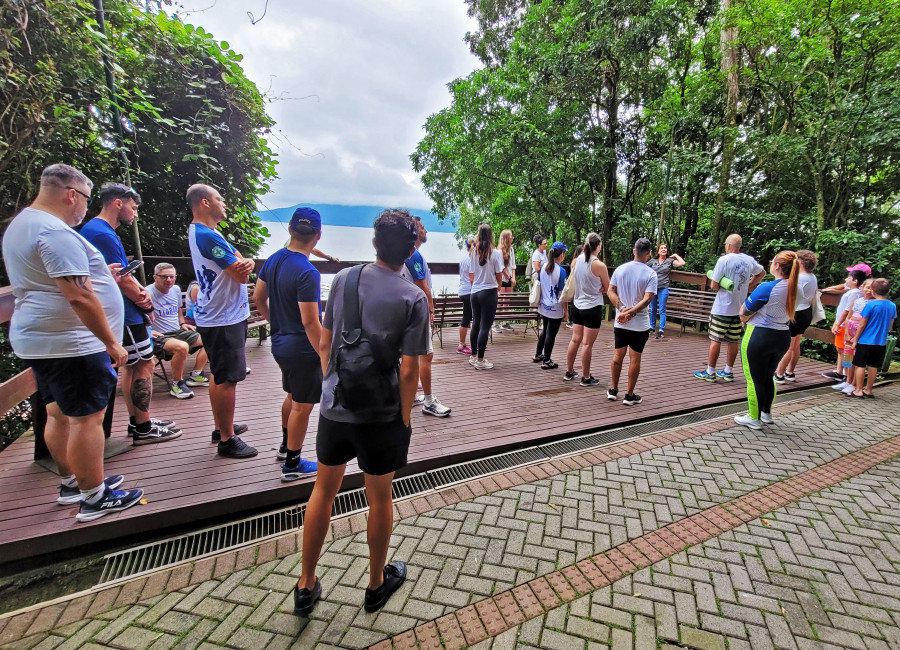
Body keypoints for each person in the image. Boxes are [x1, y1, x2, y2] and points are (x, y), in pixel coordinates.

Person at [294, 209, 428, 616]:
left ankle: (305, 585)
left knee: (323, 490)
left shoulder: (344, 279)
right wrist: (404, 418)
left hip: (336, 408)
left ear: (374, 243)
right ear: (412, 250)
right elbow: (409, 371)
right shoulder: (413, 297)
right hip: (382, 415)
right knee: (379, 499)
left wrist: (331, 386)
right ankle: (374, 585)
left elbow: (325, 343)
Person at [1, 164, 143, 521]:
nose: (84, 207)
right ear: (70, 194)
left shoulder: (22, 225)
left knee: (57, 412)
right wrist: (111, 342)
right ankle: (94, 497)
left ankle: (73, 482)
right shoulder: (54, 232)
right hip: (73, 342)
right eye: (84, 199)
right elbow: (79, 297)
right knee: (86, 419)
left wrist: (102, 275)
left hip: (44, 340)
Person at [80, 183, 182, 444]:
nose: (135, 214)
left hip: (120, 314)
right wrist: (146, 305)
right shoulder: (102, 233)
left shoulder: (94, 230)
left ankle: (139, 421)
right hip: (126, 315)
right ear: (118, 202)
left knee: (133, 366)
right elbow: (124, 280)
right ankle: (144, 427)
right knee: (144, 364)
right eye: (133, 208)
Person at [186, 184, 257, 458]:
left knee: (219, 374)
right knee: (227, 378)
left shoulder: (204, 232)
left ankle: (221, 427)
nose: (224, 203)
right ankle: (227, 440)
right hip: (223, 317)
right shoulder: (209, 236)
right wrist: (244, 263)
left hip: (215, 314)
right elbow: (241, 274)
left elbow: (238, 261)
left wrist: (243, 260)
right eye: (219, 198)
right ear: (204, 203)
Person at [254, 207, 322, 480]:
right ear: (318, 236)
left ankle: (285, 446)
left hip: (281, 344)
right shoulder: (307, 271)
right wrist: (325, 355)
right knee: (302, 406)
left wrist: (276, 325)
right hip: (302, 350)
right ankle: (293, 464)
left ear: (291, 229)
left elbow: (259, 298)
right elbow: (310, 322)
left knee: (292, 397)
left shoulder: (274, 259)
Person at [734, 251, 800, 430]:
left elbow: (744, 311)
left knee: (753, 377)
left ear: (777, 266)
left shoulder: (767, 287)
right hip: (782, 335)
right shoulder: (796, 288)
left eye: (772, 261)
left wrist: (744, 320)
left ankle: (753, 417)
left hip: (759, 335)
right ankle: (766, 413)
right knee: (768, 376)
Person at [694, 234, 766, 382]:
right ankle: (728, 371)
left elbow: (714, 285)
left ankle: (710, 372)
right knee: (733, 340)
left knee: (716, 339)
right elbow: (762, 273)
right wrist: (749, 286)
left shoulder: (724, 260)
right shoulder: (748, 260)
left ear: (728, 245)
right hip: (740, 309)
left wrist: (724, 284)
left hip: (722, 309)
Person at [402, 219, 451, 417]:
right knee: (426, 355)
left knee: (411, 355)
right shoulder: (414, 255)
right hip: (417, 311)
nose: (426, 230)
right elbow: (422, 284)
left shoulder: (405, 254)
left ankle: (412, 394)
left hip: (406, 311)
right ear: (414, 232)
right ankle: (429, 401)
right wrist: (431, 309)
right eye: (422, 227)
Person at [146, 263, 210, 399]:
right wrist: (148, 331)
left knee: (211, 338)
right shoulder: (148, 293)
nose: (169, 280)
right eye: (164, 277)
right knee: (182, 347)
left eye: (171, 276)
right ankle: (177, 384)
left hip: (177, 331)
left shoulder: (175, 289)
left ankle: (196, 375)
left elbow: (178, 309)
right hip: (158, 336)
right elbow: (136, 315)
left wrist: (182, 323)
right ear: (155, 277)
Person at [606, 238, 657, 405]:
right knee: (635, 358)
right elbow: (648, 298)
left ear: (634, 251)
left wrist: (622, 309)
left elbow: (610, 290)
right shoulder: (650, 273)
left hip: (621, 322)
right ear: (648, 254)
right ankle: (629, 395)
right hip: (640, 324)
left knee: (617, 355)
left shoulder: (621, 269)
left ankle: (613, 390)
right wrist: (632, 311)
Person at [565, 233, 609, 386]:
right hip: (592, 307)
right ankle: (585, 377)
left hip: (577, 306)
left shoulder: (575, 261)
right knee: (587, 344)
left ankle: (569, 372)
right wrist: (601, 287)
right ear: (598, 246)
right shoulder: (599, 265)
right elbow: (607, 287)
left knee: (575, 340)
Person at [846, 278, 896, 398]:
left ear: (873, 291)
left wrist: (855, 339)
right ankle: (869, 390)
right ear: (888, 291)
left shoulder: (870, 305)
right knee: (873, 366)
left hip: (865, 340)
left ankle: (858, 389)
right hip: (881, 342)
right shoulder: (892, 305)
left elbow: (862, 324)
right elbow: (890, 325)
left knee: (860, 365)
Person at [774, 250, 818, 383]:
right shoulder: (812, 277)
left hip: (797, 313)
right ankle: (790, 372)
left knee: (789, 345)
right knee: (796, 343)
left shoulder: (801, 278)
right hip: (806, 312)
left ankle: (779, 374)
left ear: (801, 263)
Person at [469, 223, 504, 370]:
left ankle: (473, 356)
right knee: (485, 326)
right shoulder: (495, 253)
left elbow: (471, 275)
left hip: (474, 292)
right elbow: (499, 275)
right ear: (491, 236)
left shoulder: (473, 252)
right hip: (489, 292)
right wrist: (499, 287)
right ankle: (480, 360)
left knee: (476, 324)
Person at [823, 268, 867, 381]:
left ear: (855, 281)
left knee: (845, 350)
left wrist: (838, 324)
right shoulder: (855, 292)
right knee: (841, 349)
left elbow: (847, 311)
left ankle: (846, 374)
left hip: (845, 325)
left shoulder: (854, 293)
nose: (845, 279)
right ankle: (841, 371)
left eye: (848, 278)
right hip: (845, 324)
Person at [533, 243, 568, 369]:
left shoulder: (543, 267)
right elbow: (562, 294)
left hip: (544, 305)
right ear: (562, 255)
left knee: (545, 331)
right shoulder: (561, 271)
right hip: (555, 307)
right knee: (551, 334)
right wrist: (566, 311)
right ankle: (547, 360)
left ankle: (538, 355)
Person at [837, 278, 875, 394]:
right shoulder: (857, 301)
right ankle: (847, 380)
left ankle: (853, 383)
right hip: (850, 330)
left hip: (860, 333)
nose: (869, 290)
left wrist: (856, 337)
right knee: (847, 356)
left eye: (872, 288)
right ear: (862, 287)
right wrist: (847, 332)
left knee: (856, 359)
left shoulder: (872, 304)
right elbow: (848, 317)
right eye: (867, 287)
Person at [647, 243, 685, 339]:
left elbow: (682, 263)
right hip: (653, 287)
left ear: (667, 251)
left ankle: (661, 330)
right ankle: (652, 327)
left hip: (663, 287)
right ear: (658, 251)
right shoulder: (653, 261)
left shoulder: (670, 261)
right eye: (661, 248)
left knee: (662, 309)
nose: (663, 249)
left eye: (665, 248)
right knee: (653, 308)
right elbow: (644, 268)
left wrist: (675, 255)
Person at [457, 235, 475, 355]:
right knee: (467, 318)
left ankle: (474, 343)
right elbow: (472, 278)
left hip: (463, 290)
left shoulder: (463, 257)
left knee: (469, 317)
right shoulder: (471, 258)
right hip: (469, 291)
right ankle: (461, 345)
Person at [495, 229, 516, 333]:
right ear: (506, 238)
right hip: (502, 279)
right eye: (511, 236)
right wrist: (509, 277)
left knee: (506, 301)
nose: (512, 238)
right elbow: (501, 267)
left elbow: (513, 265)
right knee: (499, 301)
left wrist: (513, 277)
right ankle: (495, 323)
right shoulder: (499, 251)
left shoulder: (511, 250)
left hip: (509, 278)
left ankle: (504, 322)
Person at [565, 244, 585, 329]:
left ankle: (576, 320)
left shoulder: (578, 260)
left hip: (579, 283)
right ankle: (571, 321)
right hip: (576, 283)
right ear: (579, 252)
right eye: (583, 251)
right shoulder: (576, 260)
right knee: (575, 301)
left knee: (576, 301)